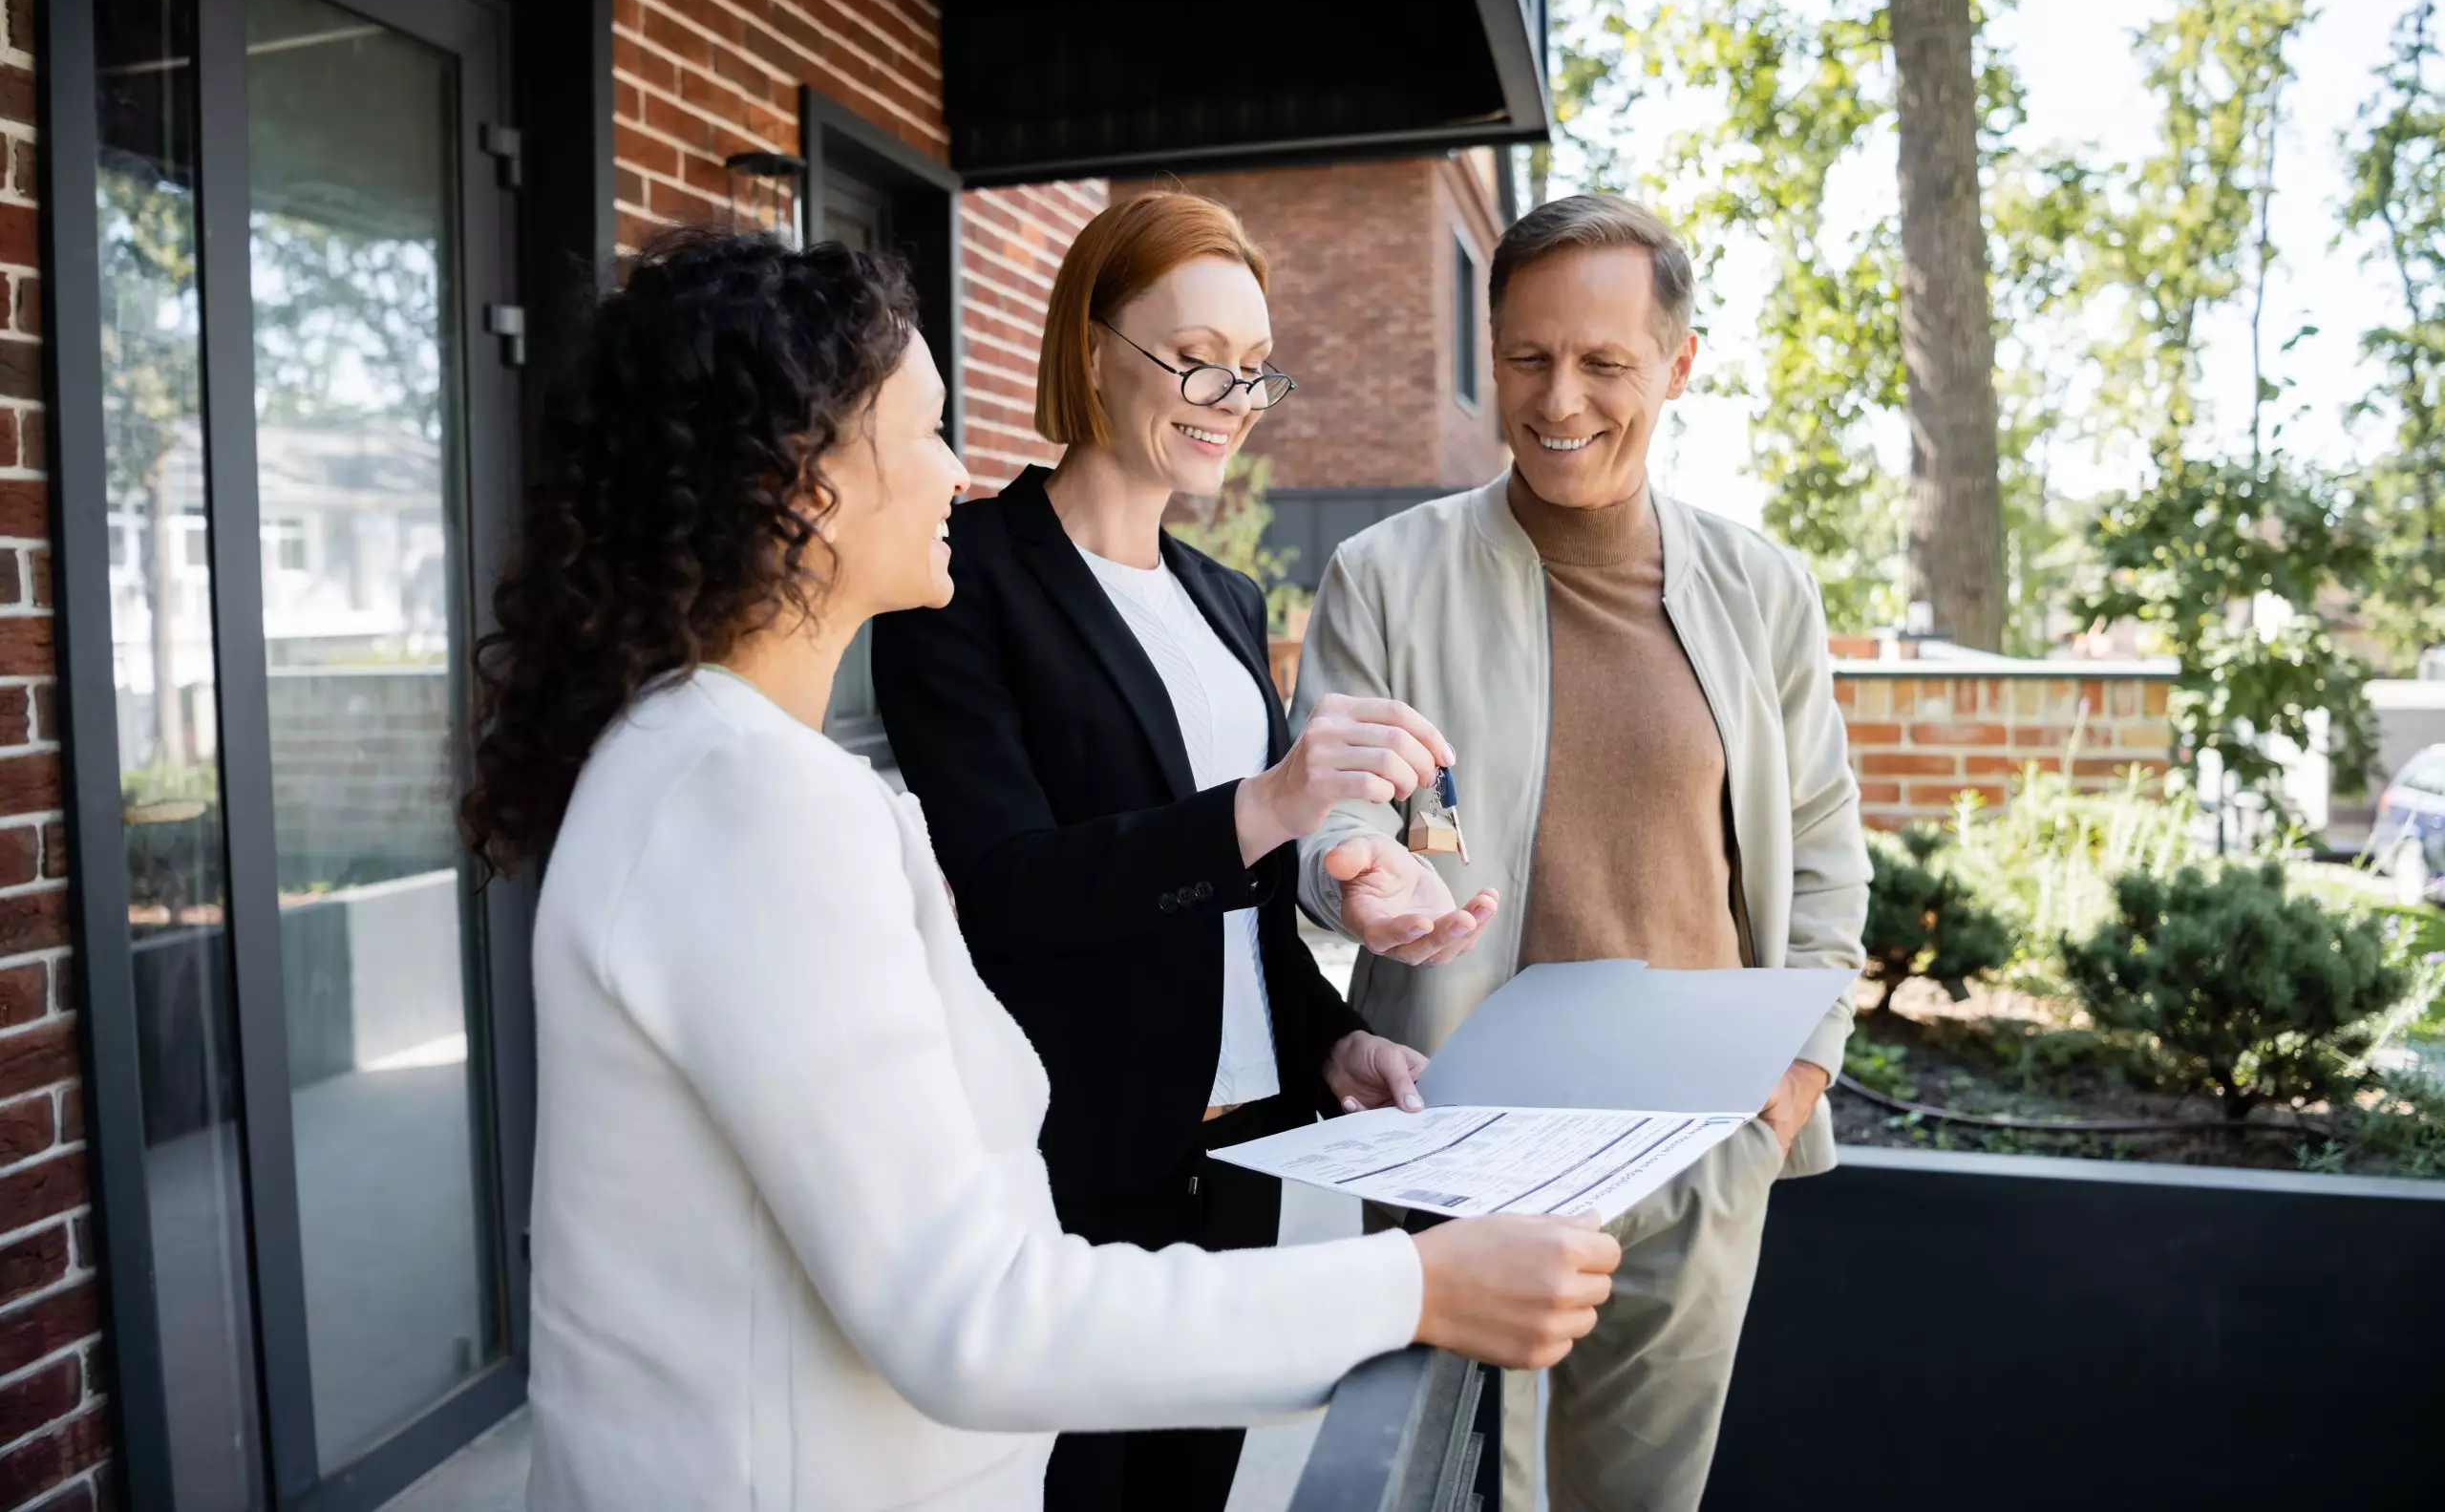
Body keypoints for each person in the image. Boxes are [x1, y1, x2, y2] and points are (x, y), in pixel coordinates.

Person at [464, 229, 1624, 1512]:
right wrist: (1421, 1286)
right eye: (925, 432)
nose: (960, 470)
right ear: (810, 485)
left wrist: (1325, 1035)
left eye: (1254, 368)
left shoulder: (709, 763)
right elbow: (972, 1308)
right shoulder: (751, 801)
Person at [870, 192, 1500, 1512]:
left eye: (1253, 366)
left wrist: (1333, 1041)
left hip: (1243, 1156)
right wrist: (1265, 806)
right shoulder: (963, 575)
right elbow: (1002, 894)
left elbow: (1243, 914)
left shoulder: (1226, 598)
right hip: (1065, 1161)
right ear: (1091, 345)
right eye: (1196, 355)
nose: (1234, 395)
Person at [1291, 193, 1872, 1512]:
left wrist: (1791, 1080)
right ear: (1489, 351)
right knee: (1460, 1489)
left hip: (1702, 1145)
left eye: (1605, 362)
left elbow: (1827, 855)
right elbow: (1336, 810)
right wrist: (1359, 877)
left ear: (1678, 365)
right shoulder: (1384, 576)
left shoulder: (1765, 589)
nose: (1561, 398)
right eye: (1527, 357)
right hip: (1462, 1146)